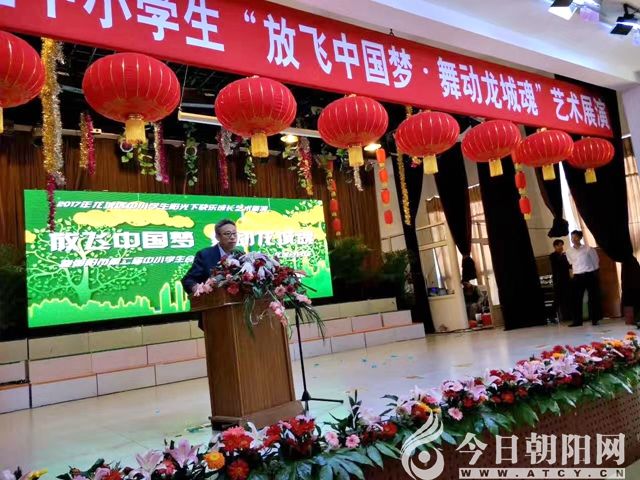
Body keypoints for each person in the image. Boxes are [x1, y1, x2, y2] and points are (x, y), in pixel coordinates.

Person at [181, 219, 239, 295]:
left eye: (234, 233)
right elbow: (188, 280)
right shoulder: (205, 255)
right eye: (228, 234)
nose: (232, 237)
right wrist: (196, 288)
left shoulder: (240, 255)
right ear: (217, 237)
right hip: (213, 299)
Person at [565, 230, 602, 327]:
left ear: (580, 238)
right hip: (577, 276)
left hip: (589, 274)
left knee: (593, 298)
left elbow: (596, 262)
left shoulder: (588, 249)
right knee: (576, 299)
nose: (573, 239)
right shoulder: (568, 251)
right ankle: (577, 321)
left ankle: (595, 319)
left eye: (575, 237)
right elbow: (571, 263)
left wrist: (594, 273)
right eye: (572, 237)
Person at [549, 239, 572, 323]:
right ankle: (551, 316)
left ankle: (568, 315)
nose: (561, 247)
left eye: (562, 245)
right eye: (559, 245)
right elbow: (558, 264)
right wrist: (563, 256)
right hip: (558, 281)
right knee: (557, 299)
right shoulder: (553, 256)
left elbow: (569, 266)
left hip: (566, 280)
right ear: (555, 246)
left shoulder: (564, 255)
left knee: (567, 298)